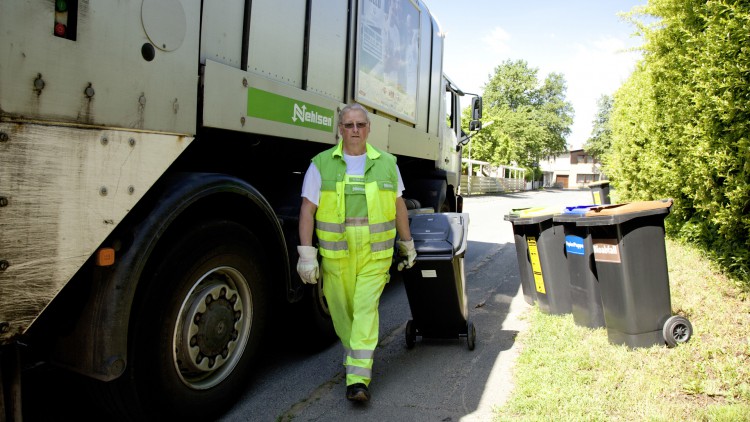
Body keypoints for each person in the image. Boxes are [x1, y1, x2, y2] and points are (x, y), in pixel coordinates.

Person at [297, 102, 417, 402]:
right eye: (349, 125)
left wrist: (407, 243)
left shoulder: (387, 163)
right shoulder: (321, 164)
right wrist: (306, 254)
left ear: (368, 129)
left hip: (374, 256)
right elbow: (307, 211)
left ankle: (357, 379)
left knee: (365, 309)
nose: (354, 130)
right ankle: (355, 361)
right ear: (340, 129)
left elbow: (398, 206)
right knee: (342, 315)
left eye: (360, 125)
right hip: (337, 256)